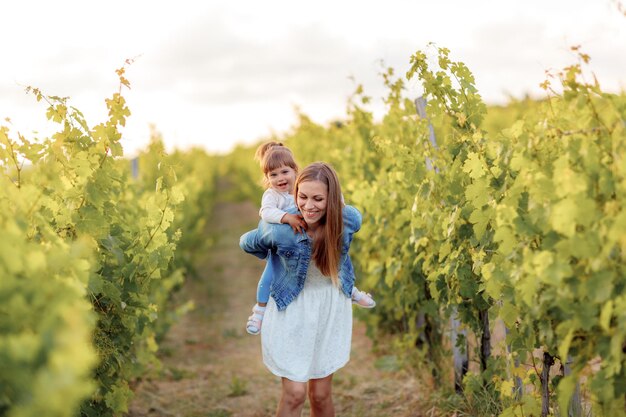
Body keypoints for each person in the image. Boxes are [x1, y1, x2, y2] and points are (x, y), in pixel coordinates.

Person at [240, 162, 364, 416]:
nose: (309, 206)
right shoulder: (281, 229)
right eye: (303, 196)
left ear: (331, 199)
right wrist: (274, 254)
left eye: (318, 198)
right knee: (295, 395)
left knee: (320, 395)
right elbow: (247, 242)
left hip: (328, 309)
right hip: (291, 310)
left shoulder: (346, 220)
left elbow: (351, 215)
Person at [245, 143, 375, 336]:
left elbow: (329, 193)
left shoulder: (303, 184)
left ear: (295, 170)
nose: (280, 178)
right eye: (273, 175)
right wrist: (287, 218)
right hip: (285, 244)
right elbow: (265, 212)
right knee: (269, 275)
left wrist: (337, 205)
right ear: (266, 178)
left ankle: (351, 290)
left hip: (310, 238)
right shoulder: (272, 195)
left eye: (284, 172)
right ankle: (259, 311)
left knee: (339, 255)